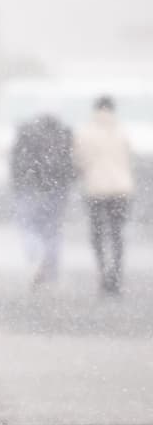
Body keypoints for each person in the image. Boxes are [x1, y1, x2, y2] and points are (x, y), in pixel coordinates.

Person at [73, 96, 134, 295]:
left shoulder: (86, 132)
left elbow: (79, 160)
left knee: (97, 234)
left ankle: (102, 272)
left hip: (96, 189)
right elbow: (128, 157)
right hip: (120, 189)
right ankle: (116, 276)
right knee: (117, 234)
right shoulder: (122, 130)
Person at [10, 113, 74, 289]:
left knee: (28, 226)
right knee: (52, 231)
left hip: (28, 189)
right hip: (56, 191)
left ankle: (35, 257)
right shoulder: (62, 136)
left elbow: (15, 164)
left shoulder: (25, 136)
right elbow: (69, 166)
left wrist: (17, 185)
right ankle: (51, 271)